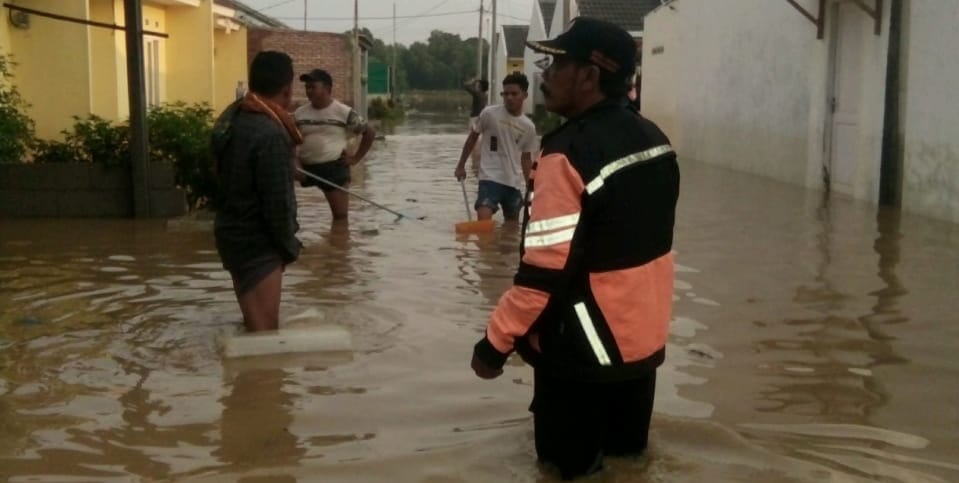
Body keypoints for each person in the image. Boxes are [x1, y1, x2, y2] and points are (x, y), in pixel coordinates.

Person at [468, 17, 680, 479]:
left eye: (557, 63)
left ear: (590, 76)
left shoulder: (567, 153)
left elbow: (543, 273)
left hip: (581, 356)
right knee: (629, 463)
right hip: (640, 348)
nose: (544, 74)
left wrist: (494, 344)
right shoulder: (656, 141)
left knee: (566, 472)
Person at [212, 51, 303, 332]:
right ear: (287, 90)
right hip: (258, 243)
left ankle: (242, 377)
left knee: (252, 326)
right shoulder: (271, 134)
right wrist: (288, 249)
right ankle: (259, 379)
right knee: (265, 333)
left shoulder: (232, 120)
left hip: (231, 235)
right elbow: (277, 204)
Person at [294, 69, 376, 222]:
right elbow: (289, 141)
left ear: (327, 89)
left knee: (340, 218)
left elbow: (369, 133)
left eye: (313, 86)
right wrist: (294, 161)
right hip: (304, 168)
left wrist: (355, 159)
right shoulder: (299, 114)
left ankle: (340, 243)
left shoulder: (344, 112)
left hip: (334, 168)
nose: (309, 90)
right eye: (307, 87)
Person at [454, 72, 538, 222]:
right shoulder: (489, 114)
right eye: (505, 94)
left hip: (513, 183)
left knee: (511, 231)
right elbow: (472, 137)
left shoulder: (529, 127)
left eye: (514, 94)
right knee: (483, 220)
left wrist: (530, 188)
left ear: (524, 95)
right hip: (489, 178)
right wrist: (461, 165)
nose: (509, 98)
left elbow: (526, 159)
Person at [464, 78, 490, 165]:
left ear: (480, 87)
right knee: (480, 136)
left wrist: (474, 80)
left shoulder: (477, 94)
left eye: (478, 85)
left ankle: (474, 156)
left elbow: (466, 86)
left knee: (472, 136)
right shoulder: (485, 95)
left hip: (475, 117)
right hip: (482, 117)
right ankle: (479, 154)